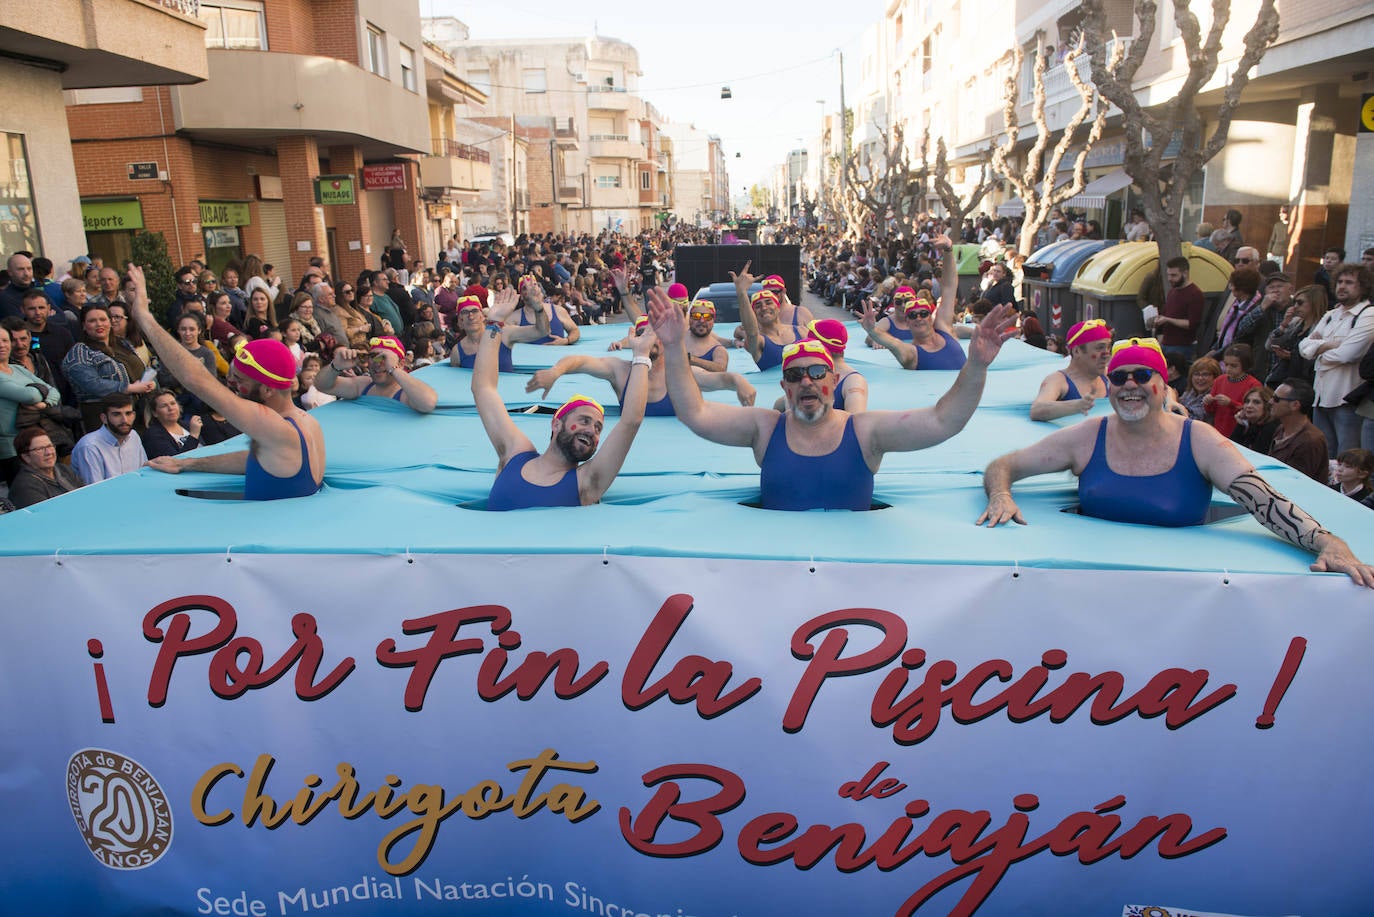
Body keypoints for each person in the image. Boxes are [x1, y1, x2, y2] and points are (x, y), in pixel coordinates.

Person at [977, 339, 1373, 587]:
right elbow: (1004, 464)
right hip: (1092, 586)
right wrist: (1000, 494)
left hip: (1182, 593)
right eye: (1118, 378)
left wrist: (1328, 542)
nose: (1129, 385)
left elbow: (1264, 502)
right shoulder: (1087, 436)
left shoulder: (1199, 440)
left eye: (1141, 375)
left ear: (1163, 386)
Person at [650, 286, 1017, 511]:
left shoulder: (865, 431)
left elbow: (944, 420)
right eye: (795, 375)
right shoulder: (764, 428)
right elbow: (694, 412)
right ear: (784, 388)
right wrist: (670, 345)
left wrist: (977, 366)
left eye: (816, 373)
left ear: (834, 380)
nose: (806, 382)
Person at [127, 265, 325, 500]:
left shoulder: (277, 429)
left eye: (240, 380)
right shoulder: (304, 424)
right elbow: (257, 459)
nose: (231, 383)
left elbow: (195, 379)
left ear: (267, 389)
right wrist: (187, 463)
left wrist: (143, 316)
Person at [473, 292, 652, 510]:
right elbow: (483, 389)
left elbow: (630, 421)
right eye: (585, 421)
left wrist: (641, 356)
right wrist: (493, 324)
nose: (592, 431)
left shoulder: (587, 482)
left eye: (598, 428)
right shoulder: (514, 454)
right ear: (556, 424)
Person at [525, 315, 756, 419]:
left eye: (655, 334)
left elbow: (717, 379)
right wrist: (556, 371)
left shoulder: (680, 376)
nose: (650, 339)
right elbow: (581, 361)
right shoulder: (620, 370)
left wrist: (738, 381)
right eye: (644, 333)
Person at [1298, 263, 1373, 456]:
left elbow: (1349, 354)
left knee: (1346, 458)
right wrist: (1332, 344)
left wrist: (1318, 348)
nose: (1342, 286)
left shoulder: (1368, 315)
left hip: (1346, 398)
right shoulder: (1331, 314)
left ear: (1363, 287)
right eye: (1340, 281)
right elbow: (1303, 348)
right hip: (1320, 396)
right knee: (1324, 456)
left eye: (1349, 282)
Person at [62, 304, 155, 433]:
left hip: (136, 414)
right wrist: (128, 388)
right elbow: (92, 384)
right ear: (83, 325)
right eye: (92, 321)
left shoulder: (121, 343)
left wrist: (148, 384)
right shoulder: (80, 352)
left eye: (103, 319)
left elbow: (140, 368)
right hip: (101, 418)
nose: (99, 324)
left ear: (110, 322)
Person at [315, 335, 437, 413]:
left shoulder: (406, 392)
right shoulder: (363, 385)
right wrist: (335, 366)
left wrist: (393, 369)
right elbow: (322, 386)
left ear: (401, 363)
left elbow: (428, 403)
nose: (378, 363)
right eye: (373, 357)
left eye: (384, 358)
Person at [449, 281, 552, 370]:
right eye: (465, 313)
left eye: (475, 311)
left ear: (483, 316)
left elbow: (542, 331)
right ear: (460, 322)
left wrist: (539, 308)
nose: (471, 316)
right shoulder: (457, 352)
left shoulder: (504, 334)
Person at [1029, 319, 1110, 421]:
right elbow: (1036, 410)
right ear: (1076, 351)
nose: (1106, 354)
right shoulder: (1058, 380)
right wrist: (1078, 405)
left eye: (1108, 347)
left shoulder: (1111, 376)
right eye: (1100, 348)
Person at [71, 393, 147, 484]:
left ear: (134, 415)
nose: (125, 420)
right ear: (104, 418)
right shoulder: (89, 447)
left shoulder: (134, 436)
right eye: (116, 414)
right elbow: (96, 490)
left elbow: (143, 474)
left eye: (128, 413)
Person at [1267, 377, 1330, 483]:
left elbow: (1298, 484)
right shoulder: (1281, 429)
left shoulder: (1310, 441)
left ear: (1295, 405)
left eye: (1276, 399)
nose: (1270, 401)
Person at [1264, 284, 1326, 387]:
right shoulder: (1295, 323)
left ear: (1314, 303)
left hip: (1302, 383)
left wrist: (1291, 356)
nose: (1295, 306)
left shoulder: (1322, 328)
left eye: (1300, 303)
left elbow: (1315, 359)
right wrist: (1283, 325)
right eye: (1294, 302)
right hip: (1281, 378)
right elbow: (1268, 346)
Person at [8, 427, 83, 508]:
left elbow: (84, 494)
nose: (48, 452)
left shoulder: (63, 469)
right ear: (26, 457)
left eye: (50, 446)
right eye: (40, 449)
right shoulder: (25, 487)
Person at [1151, 257, 1204, 362]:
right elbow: (1166, 314)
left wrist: (1167, 320)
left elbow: (1192, 324)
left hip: (1183, 346)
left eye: (1174, 275)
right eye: (1168, 275)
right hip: (1166, 344)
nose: (1170, 278)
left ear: (1185, 273)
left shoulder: (1195, 294)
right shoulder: (1173, 292)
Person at [1204, 343, 1261, 437]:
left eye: (1233, 366)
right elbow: (1211, 410)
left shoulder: (1253, 384)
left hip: (1239, 433)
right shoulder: (1219, 380)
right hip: (1219, 431)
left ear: (1245, 365)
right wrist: (1208, 401)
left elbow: (1253, 412)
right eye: (1226, 364)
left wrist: (1231, 403)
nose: (1228, 369)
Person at [141, 389, 203, 459]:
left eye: (173, 403)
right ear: (154, 413)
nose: (171, 408)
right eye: (164, 406)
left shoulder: (187, 425)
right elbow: (176, 461)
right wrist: (194, 435)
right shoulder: (152, 435)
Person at [1229, 386, 1279, 455]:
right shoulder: (1251, 425)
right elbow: (1230, 451)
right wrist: (1240, 425)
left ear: (1267, 406)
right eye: (1247, 401)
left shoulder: (1270, 429)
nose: (1249, 406)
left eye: (1256, 402)